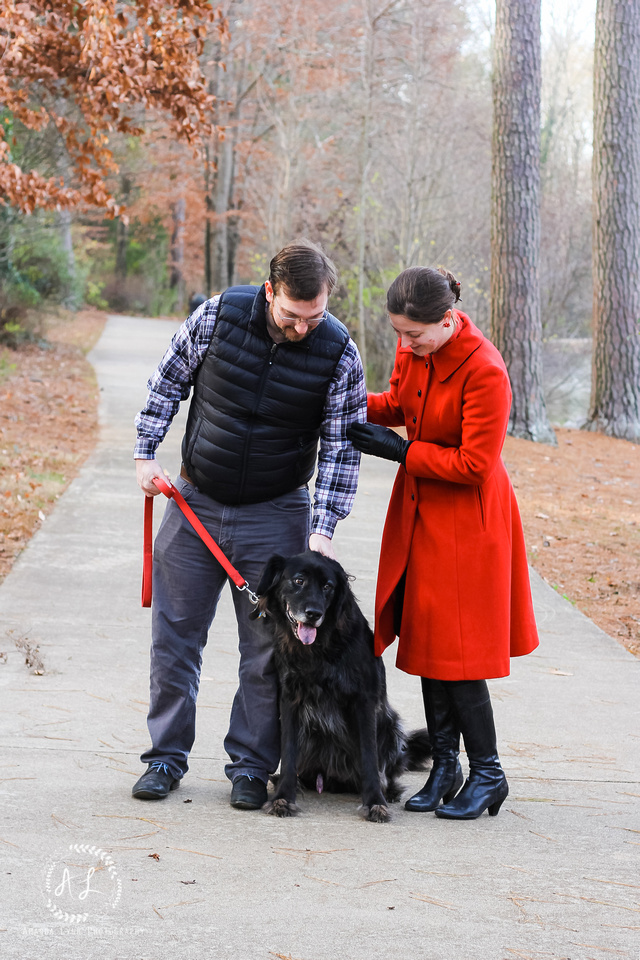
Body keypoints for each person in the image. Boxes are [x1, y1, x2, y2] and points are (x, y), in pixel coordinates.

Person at [132, 239, 366, 809]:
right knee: (175, 640)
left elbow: (341, 446)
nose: (303, 327)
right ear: (270, 292)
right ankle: (165, 757)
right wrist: (146, 452)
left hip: (277, 513)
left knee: (267, 652)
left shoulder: (339, 352)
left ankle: (251, 766)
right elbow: (168, 380)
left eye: (315, 317)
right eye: (291, 315)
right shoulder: (217, 315)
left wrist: (324, 529)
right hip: (194, 502)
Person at [347, 266, 539, 820]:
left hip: (468, 523)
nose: (404, 344)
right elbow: (402, 406)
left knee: (460, 656)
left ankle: (489, 774)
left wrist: (402, 453)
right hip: (422, 515)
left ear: (449, 320)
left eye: (415, 335)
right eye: (399, 334)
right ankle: (446, 768)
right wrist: (353, 404)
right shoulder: (416, 354)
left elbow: (476, 465)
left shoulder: (485, 370)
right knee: (430, 644)